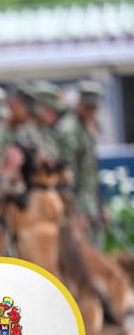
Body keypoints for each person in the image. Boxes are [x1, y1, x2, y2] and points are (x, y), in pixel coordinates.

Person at [56, 79, 105, 242]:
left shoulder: (88, 126)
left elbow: (91, 171)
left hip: (91, 205)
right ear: (80, 104)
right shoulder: (69, 129)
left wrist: (101, 206)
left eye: (95, 108)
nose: (92, 111)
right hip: (79, 208)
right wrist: (75, 211)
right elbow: (66, 175)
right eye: (89, 107)